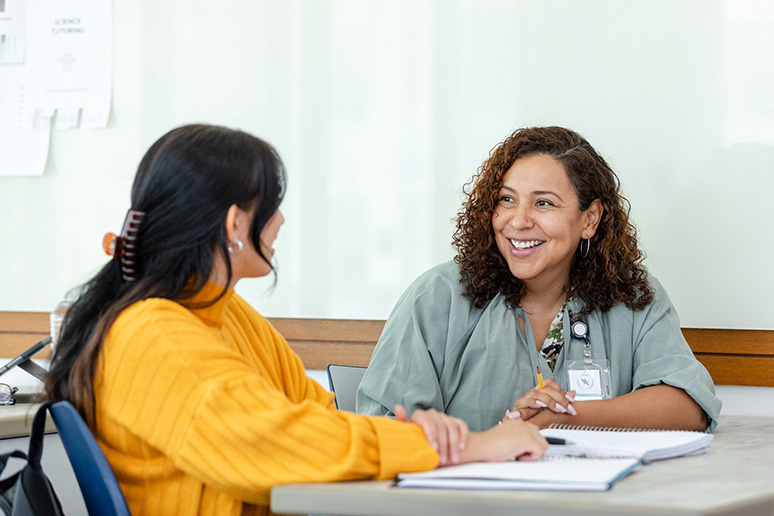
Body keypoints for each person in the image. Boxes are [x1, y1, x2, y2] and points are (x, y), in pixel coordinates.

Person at [44, 124, 547, 516]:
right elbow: (276, 444)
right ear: (235, 222)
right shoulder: (154, 333)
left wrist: (424, 435)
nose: (281, 220)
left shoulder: (224, 313)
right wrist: (472, 446)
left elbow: (318, 421)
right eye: (273, 205)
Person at [356, 126, 722, 433]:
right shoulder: (438, 297)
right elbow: (386, 427)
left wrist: (561, 416)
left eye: (543, 203)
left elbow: (687, 404)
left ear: (590, 219)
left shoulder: (632, 295)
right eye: (506, 200)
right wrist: (494, 444)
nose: (518, 221)